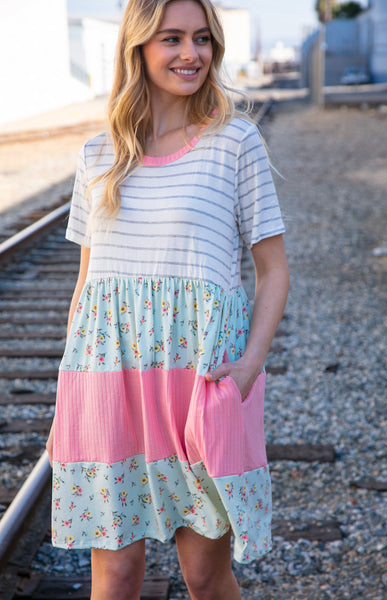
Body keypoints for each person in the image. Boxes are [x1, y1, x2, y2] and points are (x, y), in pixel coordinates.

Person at [46, 0, 289, 598]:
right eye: (173, 38)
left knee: (204, 575)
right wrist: (66, 398)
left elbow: (274, 270)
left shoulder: (236, 141)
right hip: (109, 385)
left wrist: (249, 366)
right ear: (139, 47)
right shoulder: (97, 155)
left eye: (202, 39)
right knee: (117, 574)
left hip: (197, 382)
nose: (191, 54)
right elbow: (88, 288)